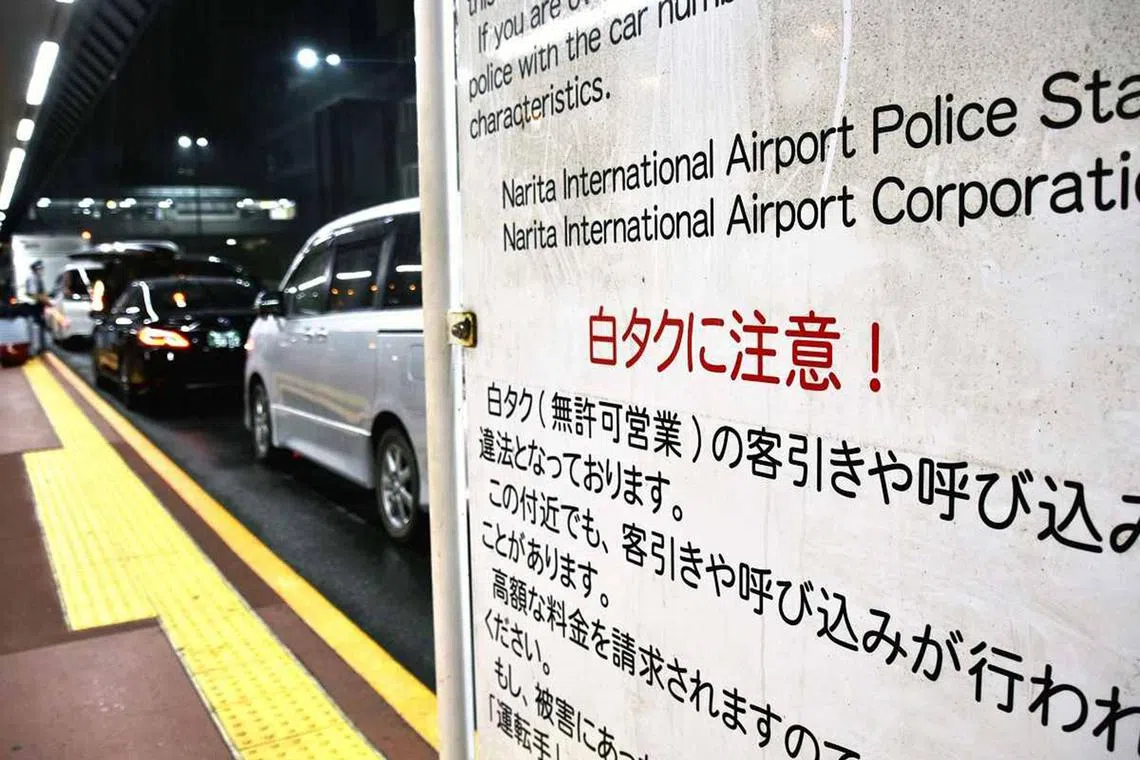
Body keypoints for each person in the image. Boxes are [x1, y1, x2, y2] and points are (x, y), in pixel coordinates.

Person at [24, 260, 50, 355]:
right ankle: (35, 349)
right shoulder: (32, 278)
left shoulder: (38, 278)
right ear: (36, 269)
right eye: (40, 268)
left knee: (41, 325)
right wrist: (46, 301)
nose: (42, 270)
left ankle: (41, 347)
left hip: (38, 306)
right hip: (33, 307)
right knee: (36, 326)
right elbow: (33, 294)